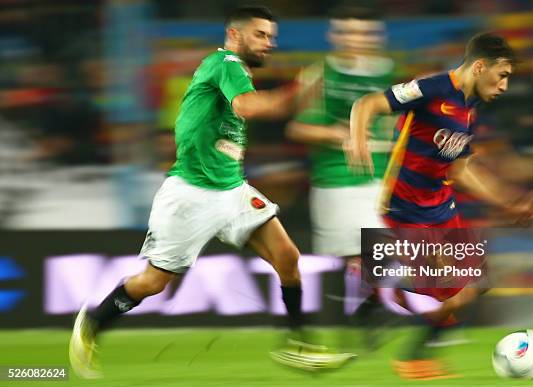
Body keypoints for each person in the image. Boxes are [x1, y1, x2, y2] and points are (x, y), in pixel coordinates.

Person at [69, 5, 353, 378]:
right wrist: (295, 92)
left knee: (287, 257)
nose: (270, 43)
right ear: (235, 35)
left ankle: (299, 345)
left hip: (232, 189)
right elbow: (248, 107)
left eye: (272, 37)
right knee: (153, 282)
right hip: (190, 193)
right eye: (261, 35)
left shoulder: (238, 72)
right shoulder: (225, 64)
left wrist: (293, 99)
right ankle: (94, 319)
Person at [347, 32, 533, 379]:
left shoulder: (469, 110)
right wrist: (357, 140)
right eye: (502, 76)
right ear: (480, 66)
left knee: (478, 283)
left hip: (442, 206)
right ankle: (411, 354)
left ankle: (385, 285)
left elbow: (460, 169)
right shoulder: (431, 89)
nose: (504, 85)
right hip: (406, 207)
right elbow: (366, 104)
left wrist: (510, 204)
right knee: (456, 295)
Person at [284, 5, 395, 341]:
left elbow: (396, 126)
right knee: (362, 254)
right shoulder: (317, 75)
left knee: (384, 253)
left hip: (380, 179)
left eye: (362, 33)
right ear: (333, 36)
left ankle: (366, 305)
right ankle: (362, 306)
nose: (354, 39)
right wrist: (336, 134)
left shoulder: (390, 75)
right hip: (335, 180)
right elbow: (296, 128)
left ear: (377, 37)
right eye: (346, 32)